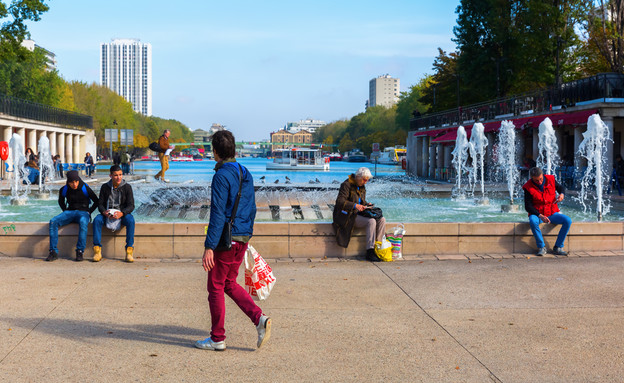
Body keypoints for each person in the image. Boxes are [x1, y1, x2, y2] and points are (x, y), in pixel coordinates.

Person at [195, 130, 271, 352]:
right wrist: (246, 235)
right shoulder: (244, 172)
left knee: (216, 287)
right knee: (228, 283)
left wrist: (209, 246)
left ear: (215, 151)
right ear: (234, 149)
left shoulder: (220, 176)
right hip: (242, 238)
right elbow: (252, 208)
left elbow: (217, 214)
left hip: (226, 242)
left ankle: (217, 338)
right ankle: (259, 319)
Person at [332, 167, 386, 262]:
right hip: (347, 215)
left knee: (382, 219)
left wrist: (366, 205)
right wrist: (355, 205)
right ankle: (370, 250)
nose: (365, 182)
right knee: (371, 221)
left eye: (367, 180)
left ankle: (378, 246)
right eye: (364, 180)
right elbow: (340, 202)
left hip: (358, 213)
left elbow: (361, 201)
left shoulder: (361, 186)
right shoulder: (346, 185)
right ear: (358, 177)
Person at [46, 170, 99, 262]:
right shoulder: (64, 189)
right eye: (72, 182)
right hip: (69, 212)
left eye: (76, 181)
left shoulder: (85, 188)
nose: (74, 184)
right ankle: (53, 251)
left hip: (83, 212)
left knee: (83, 222)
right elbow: (61, 201)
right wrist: (65, 212)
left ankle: (80, 251)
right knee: (53, 222)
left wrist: (89, 212)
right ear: (68, 182)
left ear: (78, 179)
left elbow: (96, 201)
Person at [523, 167, 572, 256]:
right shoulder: (528, 187)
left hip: (552, 212)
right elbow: (528, 206)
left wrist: (562, 194)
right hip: (537, 213)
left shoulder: (551, 179)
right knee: (533, 221)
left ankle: (558, 247)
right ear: (532, 178)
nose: (540, 182)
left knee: (567, 220)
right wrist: (539, 215)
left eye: (541, 179)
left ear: (543, 175)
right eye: (536, 181)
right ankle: (541, 247)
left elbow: (561, 188)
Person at [92, 165, 135, 263]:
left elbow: (131, 205)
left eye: (120, 175)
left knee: (130, 220)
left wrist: (122, 213)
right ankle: (97, 250)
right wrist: (104, 212)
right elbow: (100, 204)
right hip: (107, 213)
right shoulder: (105, 187)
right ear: (110, 176)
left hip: (121, 214)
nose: (118, 177)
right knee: (97, 220)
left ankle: (129, 250)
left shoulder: (127, 187)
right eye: (115, 175)